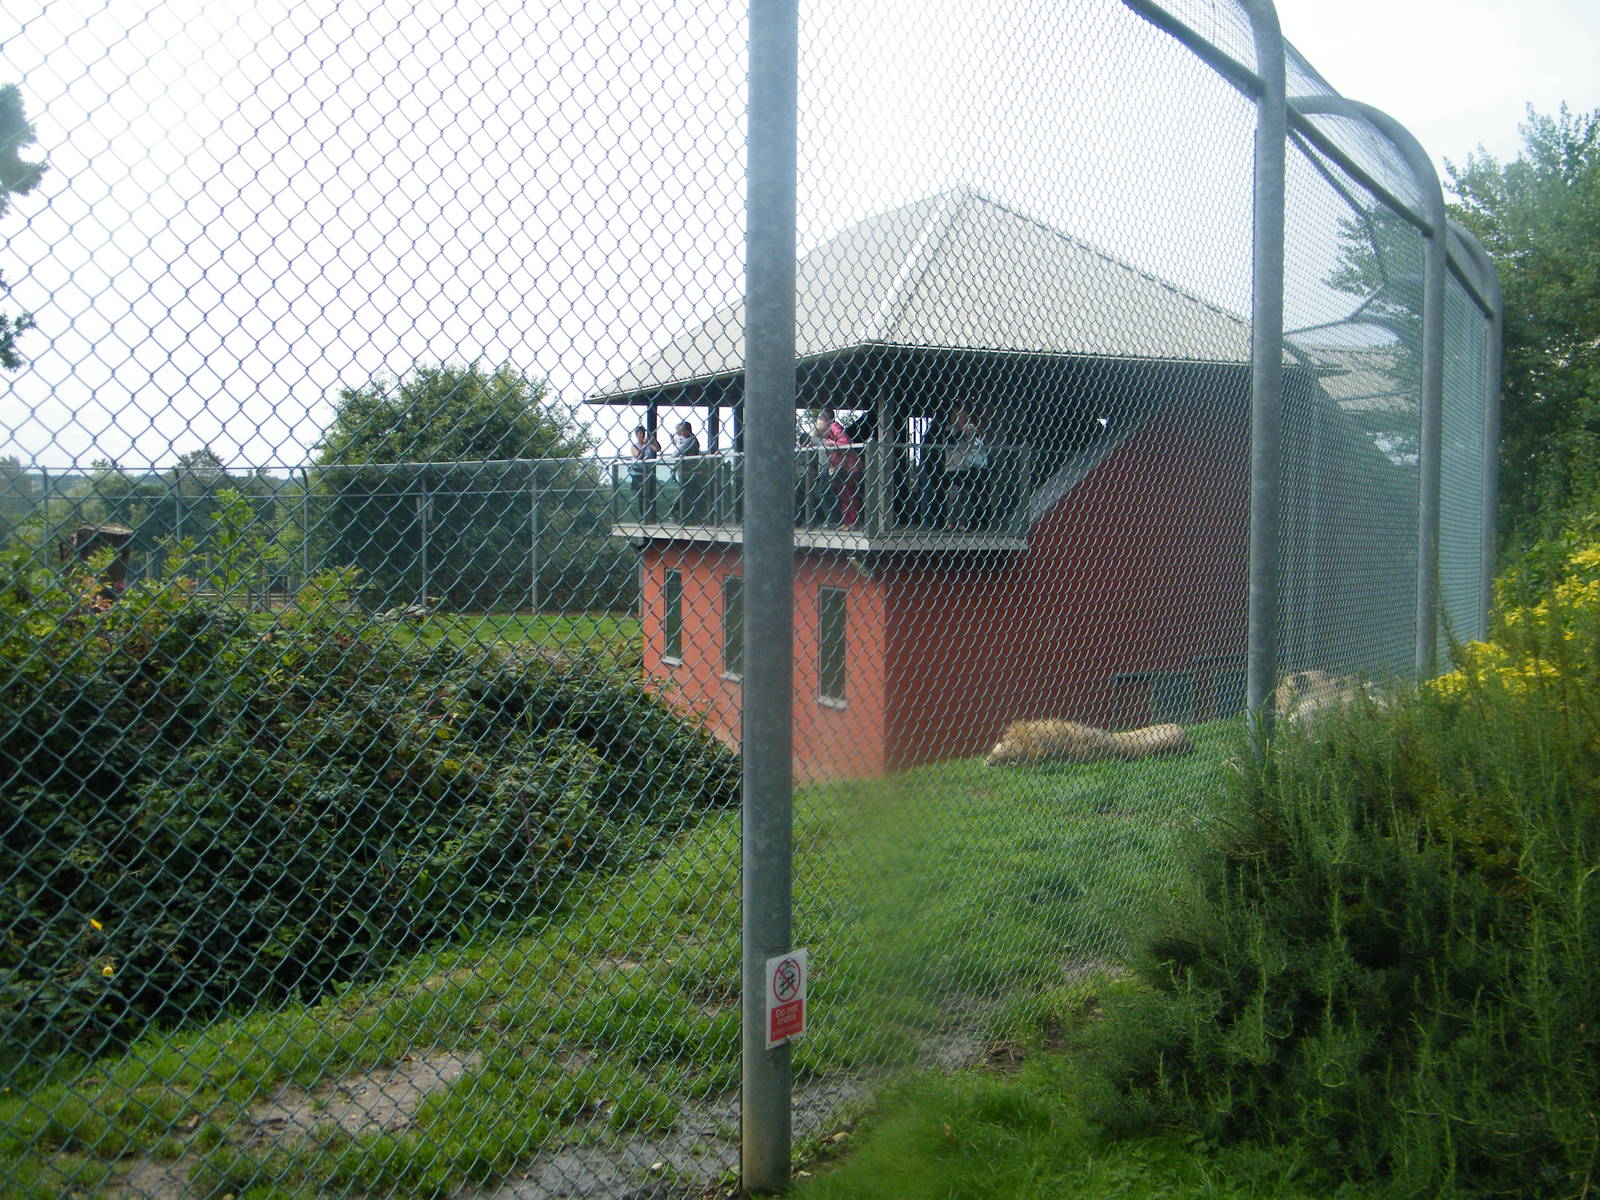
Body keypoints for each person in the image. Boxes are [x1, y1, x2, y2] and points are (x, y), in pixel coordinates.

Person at [942, 401, 988, 530]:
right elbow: (951, 443)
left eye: (964, 417)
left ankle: (963, 523)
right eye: (960, 417)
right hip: (952, 466)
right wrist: (961, 432)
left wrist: (976, 432)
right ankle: (951, 522)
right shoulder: (949, 429)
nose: (962, 420)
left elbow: (979, 442)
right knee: (953, 495)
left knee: (966, 495)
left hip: (966, 465)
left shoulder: (970, 429)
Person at [817, 405, 862, 528]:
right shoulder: (827, 431)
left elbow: (845, 442)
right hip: (841, 467)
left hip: (849, 467)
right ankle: (847, 522)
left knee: (849, 494)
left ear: (825, 419)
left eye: (820, 418)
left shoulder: (835, 426)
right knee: (843, 495)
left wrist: (832, 443)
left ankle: (853, 522)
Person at [672, 420, 706, 522]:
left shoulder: (691, 440)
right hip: (687, 471)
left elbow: (675, 454)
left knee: (686, 493)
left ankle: (675, 511)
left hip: (688, 471)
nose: (680, 433)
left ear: (687, 430)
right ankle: (681, 514)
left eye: (682, 430)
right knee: (687, 493)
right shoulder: (688, 440)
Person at [626, 425, 659, 519]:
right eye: (640, 433)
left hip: (648, 473)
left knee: (650, 494)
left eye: (643, 433)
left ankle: (651, 515)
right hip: (638, 474)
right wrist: (644, 446)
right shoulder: (634, 446)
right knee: (641, 496)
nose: (642, 435)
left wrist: (652, 441)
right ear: (636, 435)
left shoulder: (648, 444)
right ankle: (643, 516)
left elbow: (657, 449)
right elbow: (638, 456)